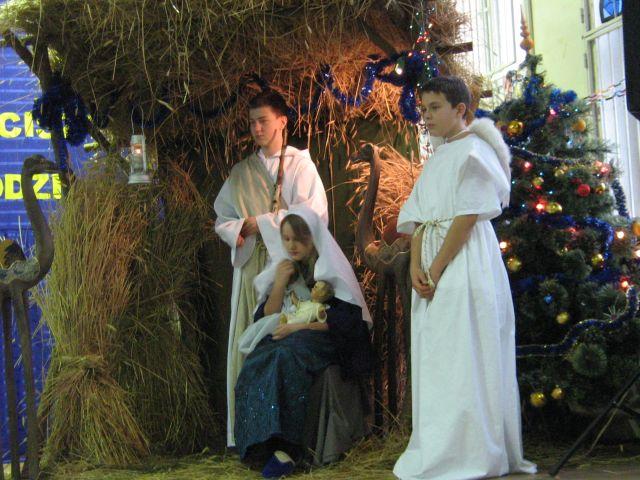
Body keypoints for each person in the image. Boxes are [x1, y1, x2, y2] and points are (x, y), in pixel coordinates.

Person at [393, 76, 537, 480]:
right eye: (423, 109)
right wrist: (416, 264)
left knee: (464, 353)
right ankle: (440, 447)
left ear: (460, 109)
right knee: (438, 358)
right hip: (431, 262)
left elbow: (467, 216)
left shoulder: (475, 151)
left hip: (463, 262)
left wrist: (437, 267)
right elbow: (419, 218)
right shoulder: (438, 156)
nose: (427, 116)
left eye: (435, 107)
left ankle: (471, 451)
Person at [214, 90, 328, 446]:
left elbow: (312, 216)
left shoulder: (300, 167)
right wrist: (240, 228)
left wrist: (261, 223)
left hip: (288, 267)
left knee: (283, 340)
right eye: (252, 123)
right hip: (251, 268)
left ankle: (286, 435)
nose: (257, 128)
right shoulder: (241, 172)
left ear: (282, 121)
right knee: (247, 342)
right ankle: (246, 434)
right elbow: (223, 218)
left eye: (263, 121)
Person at [234, 206, 373, 478]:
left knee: (285, 357)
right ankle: (260, 444)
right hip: (290, 335)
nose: (292, 245)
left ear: (313, 238)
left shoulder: (329, 269)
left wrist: (299, 327)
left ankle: (289, 447)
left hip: (322, 339)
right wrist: (279, 282)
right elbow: (267, 314)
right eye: (286, 239)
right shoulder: (286, 267)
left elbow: (346, 322)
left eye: (298, 239)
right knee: (258, 359)